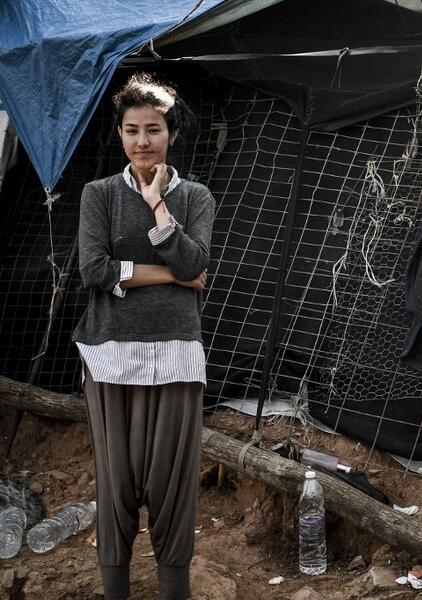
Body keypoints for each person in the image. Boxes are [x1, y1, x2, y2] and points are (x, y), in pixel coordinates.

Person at [72, 73, 214, 599]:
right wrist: (170, 273)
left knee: (170, 485)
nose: (142, 142)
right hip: (110, 354)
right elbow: (93, 269)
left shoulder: (195, 197)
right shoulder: (99, 195)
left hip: (176, 354)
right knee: (117, 484)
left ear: (170, 135)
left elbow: (197, 260)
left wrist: (158, 206)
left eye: (152, 130)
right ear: (120, 135)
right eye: (131, 130)